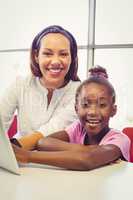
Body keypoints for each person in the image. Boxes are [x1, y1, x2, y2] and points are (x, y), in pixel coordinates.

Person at [13, 66, 131, 171]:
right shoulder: (78, 128)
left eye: (102, 105)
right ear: (76, 109)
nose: (93, 112)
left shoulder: (120, 140)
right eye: (85, 104)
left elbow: (87, 160)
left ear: (113, 110)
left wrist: (27, 156)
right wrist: (88, 149)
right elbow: (43, 142)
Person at [0, 25, 80, 148]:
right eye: (48, 54)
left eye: (63, 54)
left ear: (72, 57)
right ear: (36, 56)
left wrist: (12, 149)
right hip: (19, 161)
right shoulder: (20, 85)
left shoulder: (81, 92)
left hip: (59, 163)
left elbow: (52, 130)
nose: (55, 61)